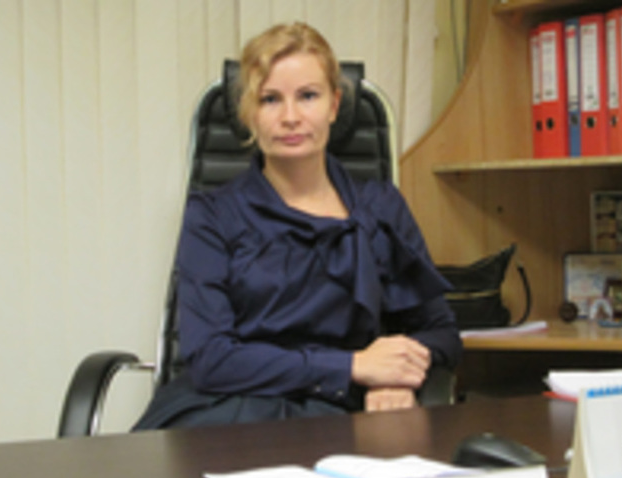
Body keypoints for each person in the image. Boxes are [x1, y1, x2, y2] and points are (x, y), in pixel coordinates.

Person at [133, 22, 461, 430]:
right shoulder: (212, 215)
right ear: (249, 113)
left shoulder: (380, 207)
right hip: (224, 409)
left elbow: (442, 333)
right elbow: (210, 360)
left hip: (334, 414)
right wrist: (353, 366)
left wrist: (396, 374)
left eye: (308, 96)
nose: (290, 117)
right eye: (270, 99)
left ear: (334, 105)